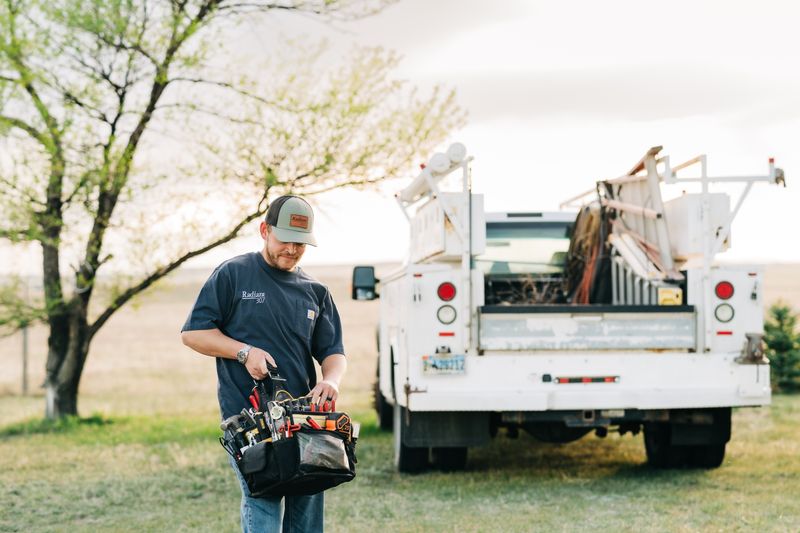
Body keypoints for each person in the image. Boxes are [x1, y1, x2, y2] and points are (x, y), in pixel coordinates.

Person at [181, 195, 346, 533]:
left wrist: (332, 381)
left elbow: (333, 352)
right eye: (285, 239)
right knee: (264, 505)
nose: (293, 249)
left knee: (307, 513)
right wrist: (244, 352)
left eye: (301, 242)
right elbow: (194, 334)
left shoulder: (315, 291)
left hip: (303, 422)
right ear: (264, 230)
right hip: (249, 421)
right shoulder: (233, 275)